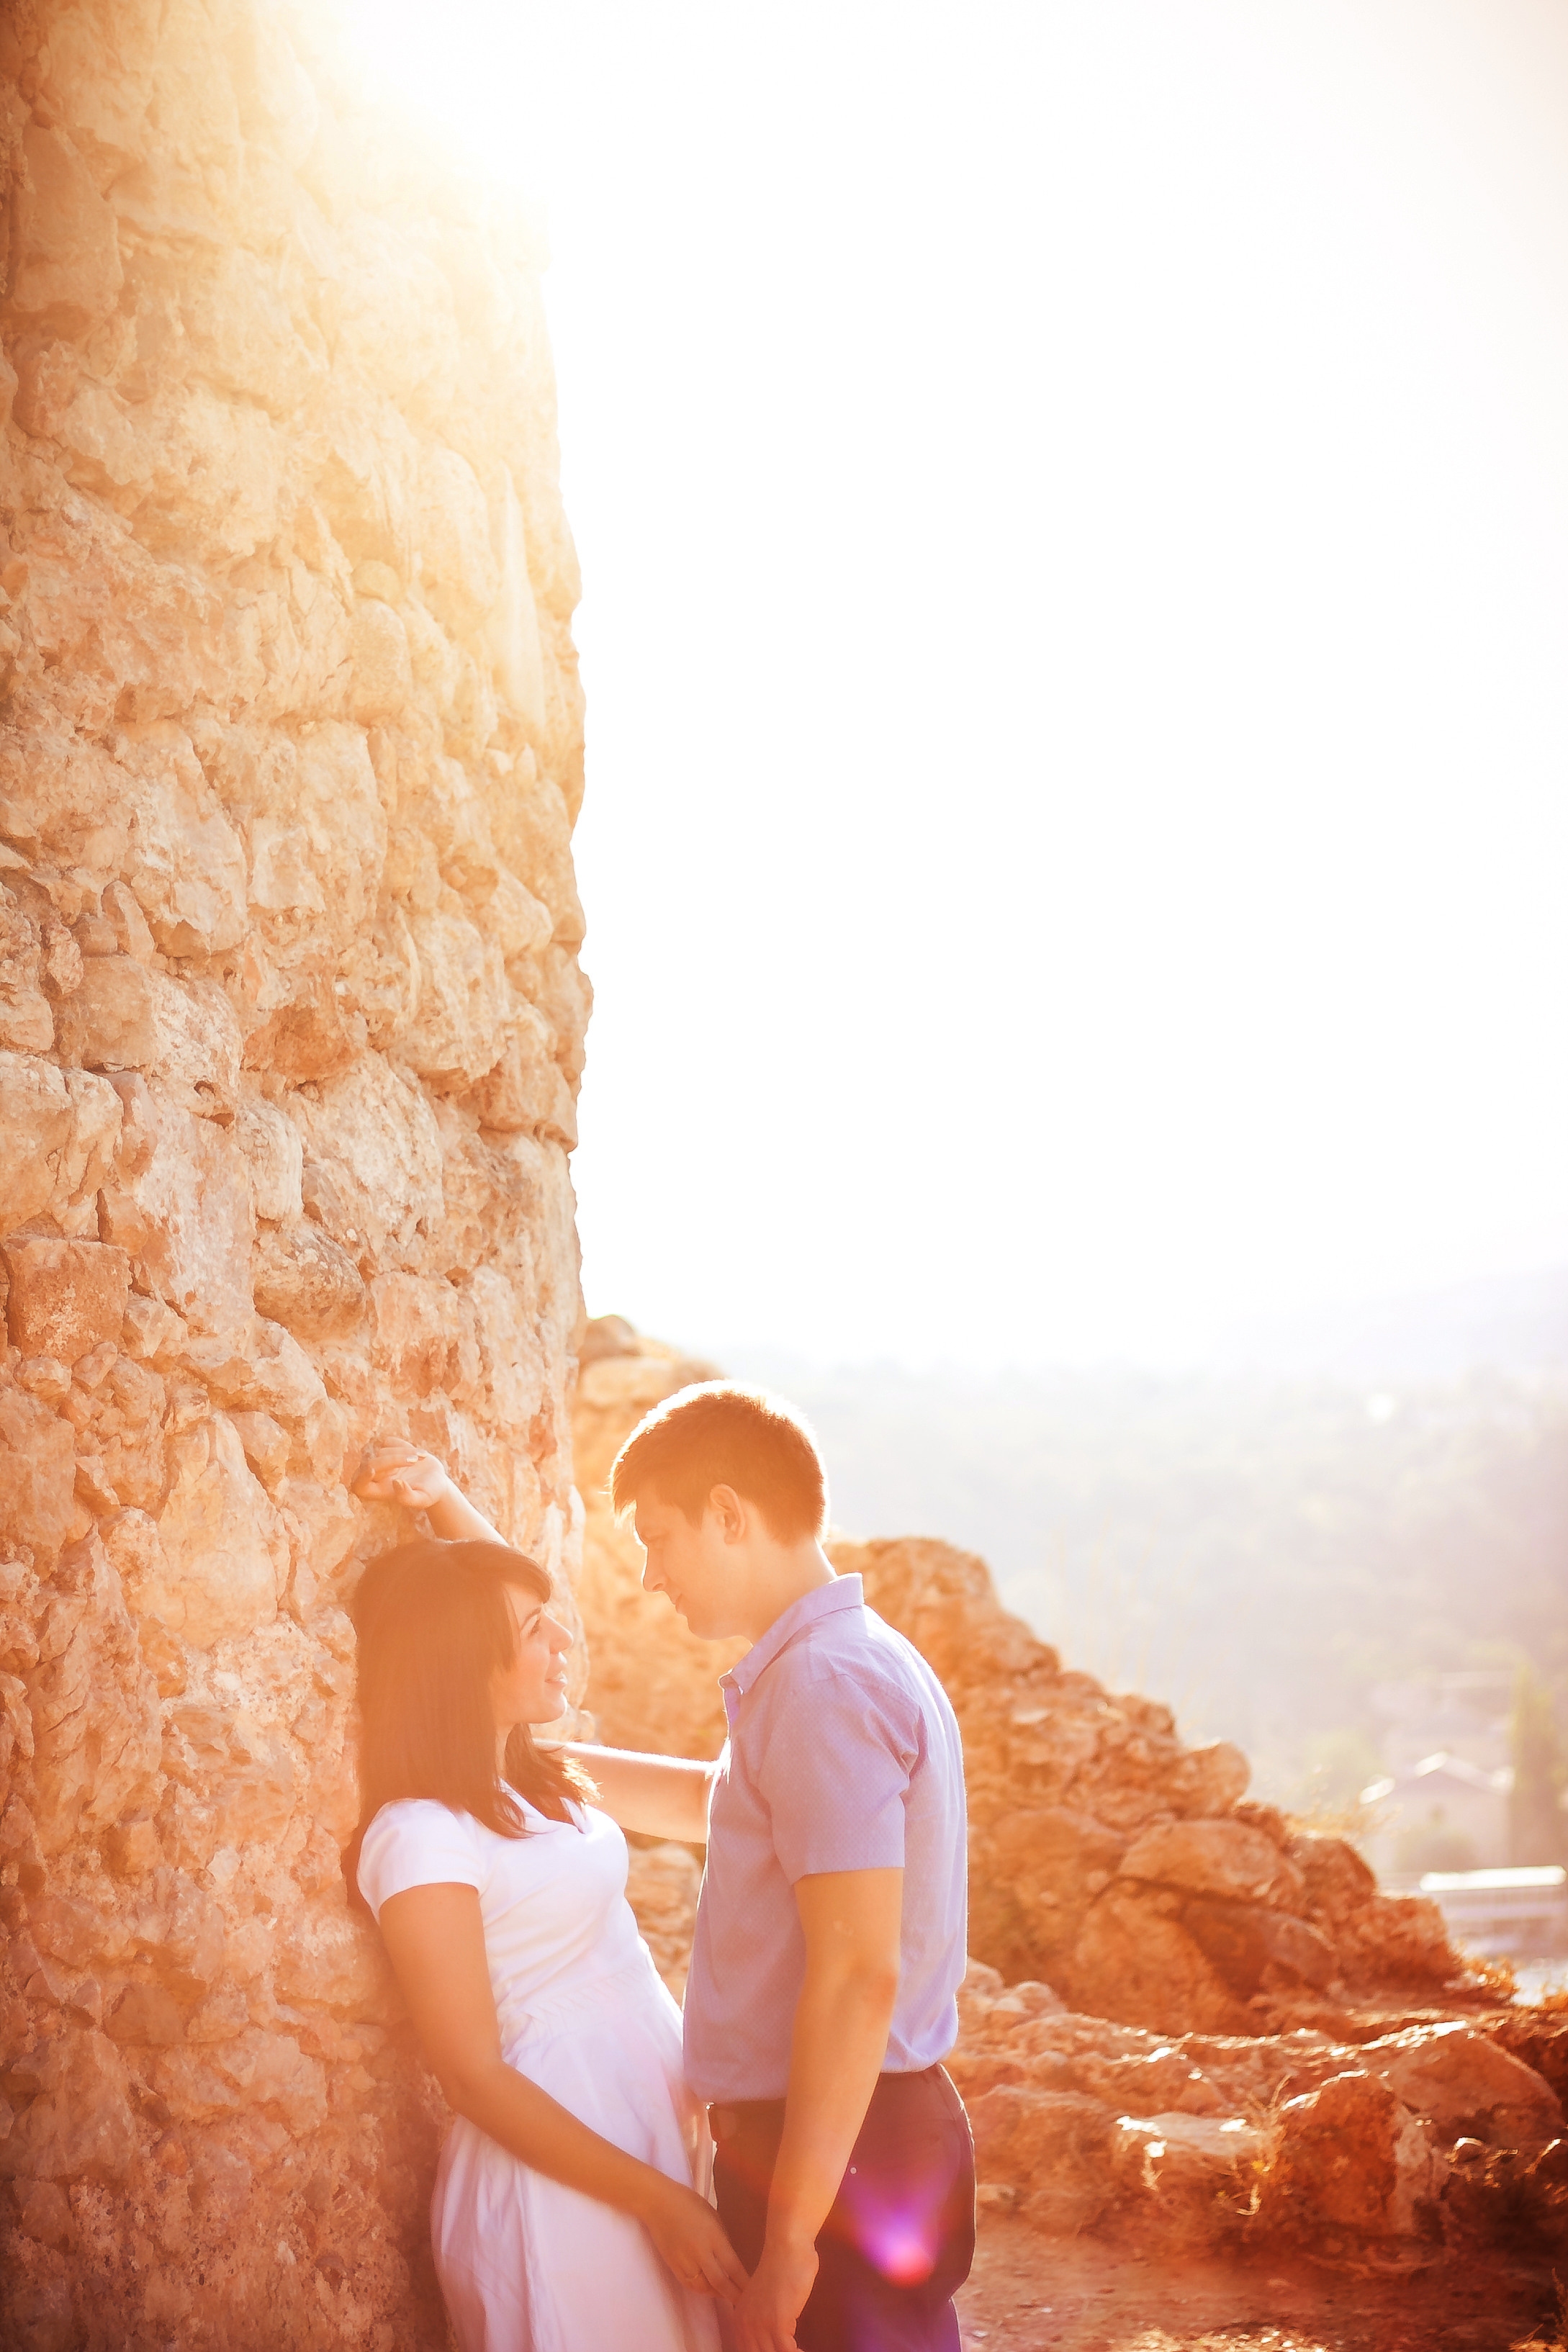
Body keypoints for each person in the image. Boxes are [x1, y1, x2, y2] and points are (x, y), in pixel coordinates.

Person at [369, 1375, 976, 2352]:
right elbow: (694, 1794)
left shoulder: (821, 1686)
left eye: (657, 1536)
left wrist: (790, 2242)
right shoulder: (846, 1660)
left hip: (835, 2146)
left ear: (727, 1515)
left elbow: (859, 1976)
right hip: (838, 2137)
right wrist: (453, 1525)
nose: (649, 1575)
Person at [343, 1460, 748, 2352]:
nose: (563, 1638)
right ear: (464, 1666)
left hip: (645, 2130)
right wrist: (659, 2202)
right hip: (562, 2175)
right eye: (535, 1631)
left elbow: (711, 1802)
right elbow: (471, 2076)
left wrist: (445, 1498)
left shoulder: (547, 1778)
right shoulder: (422, 1837)